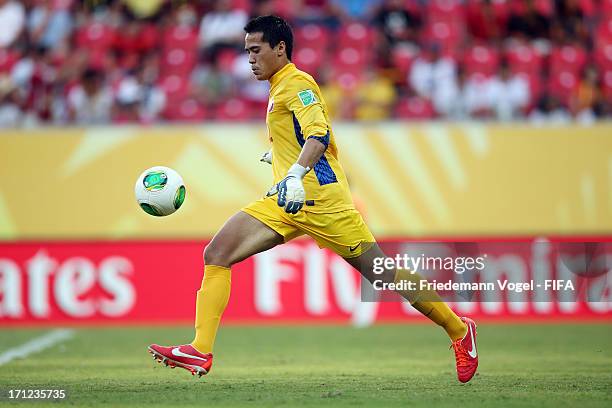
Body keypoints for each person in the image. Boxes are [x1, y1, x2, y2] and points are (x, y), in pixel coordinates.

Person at [148, 15, 479, 384]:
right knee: (217, 253)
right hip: (286, 203)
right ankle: (201, 350)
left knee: (383, 274)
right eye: (247, 53)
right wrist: (281, 158)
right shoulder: (277, 87)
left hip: (322, 202)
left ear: (280, 48)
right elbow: (300, 135)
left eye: (256, 51)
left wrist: (295, 172)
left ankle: (458, 330)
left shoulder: (298, 83)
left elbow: (318, 134)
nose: (251, 60)